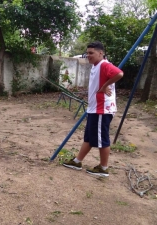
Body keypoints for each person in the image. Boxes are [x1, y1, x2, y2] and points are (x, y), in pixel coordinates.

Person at [62, 41, 123, 177]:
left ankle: (103, 168)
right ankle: (77, 161)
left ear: (100, 53)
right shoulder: (96, 65)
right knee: (89, 138)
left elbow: (119, 74)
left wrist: (104, 86)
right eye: (87, 53)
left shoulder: (104, 64)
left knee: (102, 140)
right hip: (94, 108)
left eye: (91, 53)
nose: (88, 56)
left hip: (102, 110)